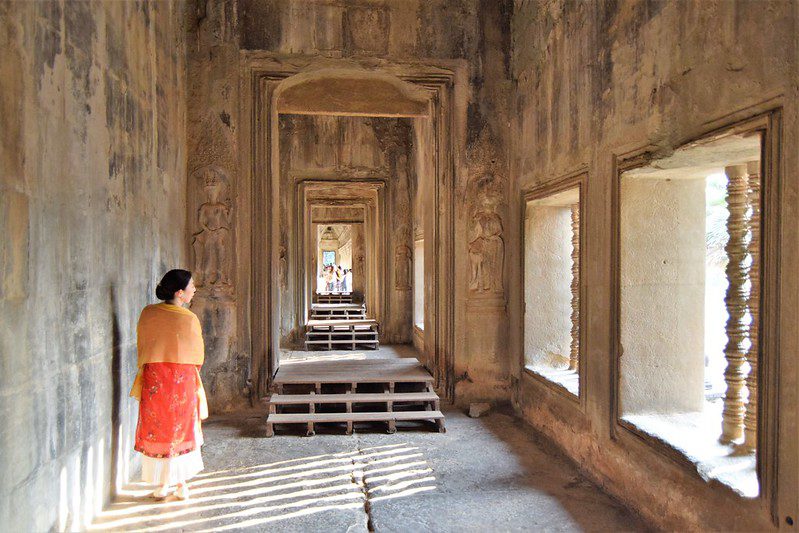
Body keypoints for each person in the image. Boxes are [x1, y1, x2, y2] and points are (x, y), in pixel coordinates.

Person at [130, 269, 208, 501]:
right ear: (179, 293)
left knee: (165, 428)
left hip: (157, 379)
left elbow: (143, 346)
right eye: (191, 286)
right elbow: (197, 355)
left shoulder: (148, 314)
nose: (194, 289)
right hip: (177, 379)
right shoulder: (187, 319)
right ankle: (172, 482)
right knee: (175, 428)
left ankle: (172, 482)